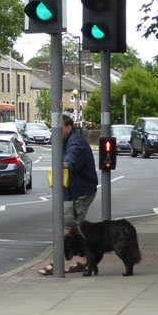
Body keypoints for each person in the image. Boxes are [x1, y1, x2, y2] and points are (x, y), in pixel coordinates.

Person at [39, 114, 99, 276]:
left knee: (64, 227)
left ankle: (57, 263)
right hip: (76, 191)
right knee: (76, 229)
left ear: (68, 128)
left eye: (59, 129)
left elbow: (73, 156)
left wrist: (67, 164)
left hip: (80, 192)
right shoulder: (65, 141)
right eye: (53, 129)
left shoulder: (75, 142)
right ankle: (86, 262)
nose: (55, 132)